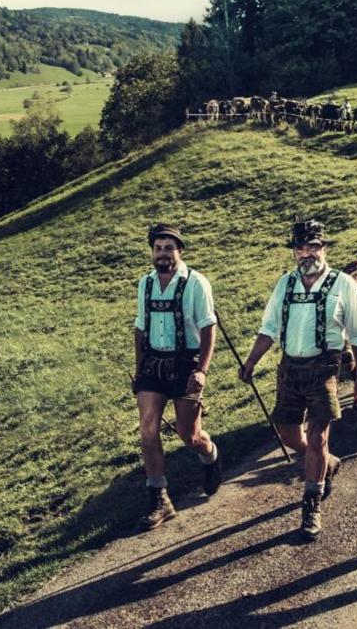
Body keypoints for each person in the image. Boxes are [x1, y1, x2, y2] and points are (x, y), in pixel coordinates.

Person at [240, 221, 357, 540]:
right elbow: (269, 328)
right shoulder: (285, 284)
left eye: (313, 247)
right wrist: (251, 362)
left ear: (324, 248)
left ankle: (312, 504)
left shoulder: (342, 284)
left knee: (316, 437)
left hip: (324, 368)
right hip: (290, 368)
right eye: (300, 248)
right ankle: (328, 462)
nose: (306, 254)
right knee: (286, 433)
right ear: (295, 252)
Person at [132, 223, 222, 531]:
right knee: (147, 428)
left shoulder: (196, 283)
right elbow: (140, 328)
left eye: (169, 248)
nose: (163, 253)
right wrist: (139, 366)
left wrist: (202, 371)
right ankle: (160, 499)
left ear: (179, 251)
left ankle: (210, 457)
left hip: (186, 364)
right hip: (154, 365)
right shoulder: (145, 284)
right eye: (158, 248)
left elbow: (209, 328)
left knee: (190, 436)